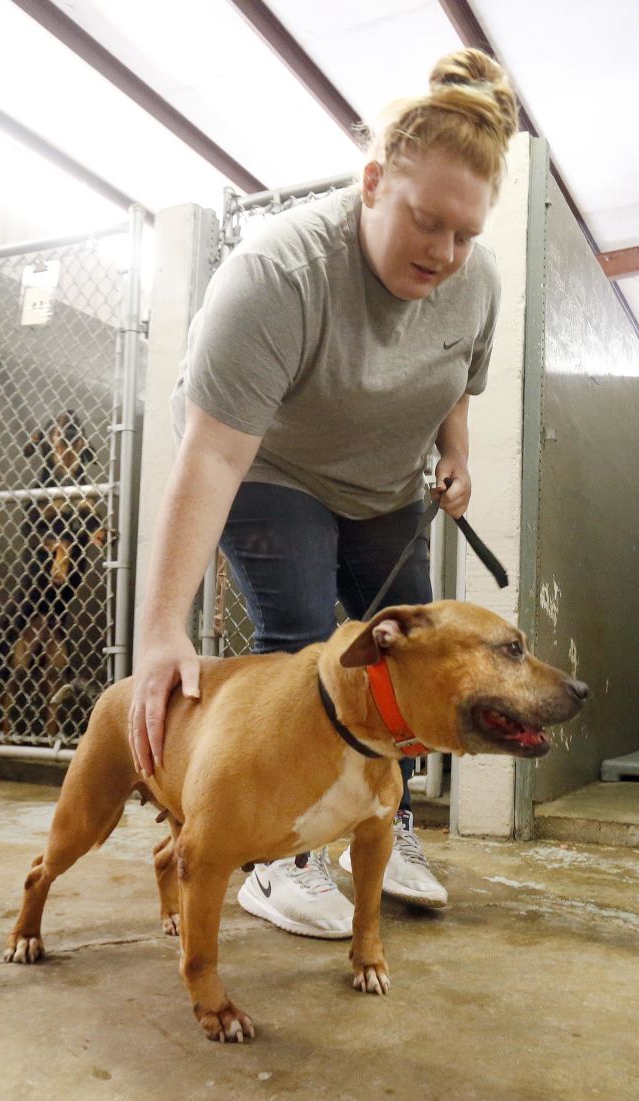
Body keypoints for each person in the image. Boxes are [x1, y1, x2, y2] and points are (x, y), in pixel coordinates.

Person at [128, 49, 518, 939]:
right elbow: (215, 457)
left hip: (385, 485)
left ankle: (385, 820)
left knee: (412, 654)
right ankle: (285, 856)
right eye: (428, 223)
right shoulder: (277, 276)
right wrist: (159, 631)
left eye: (466, 233)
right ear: (374, 180)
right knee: (305, 639)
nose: (446, 253)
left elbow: (459, 375)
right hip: (276, 471)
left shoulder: (475, 282)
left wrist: (456, 452)